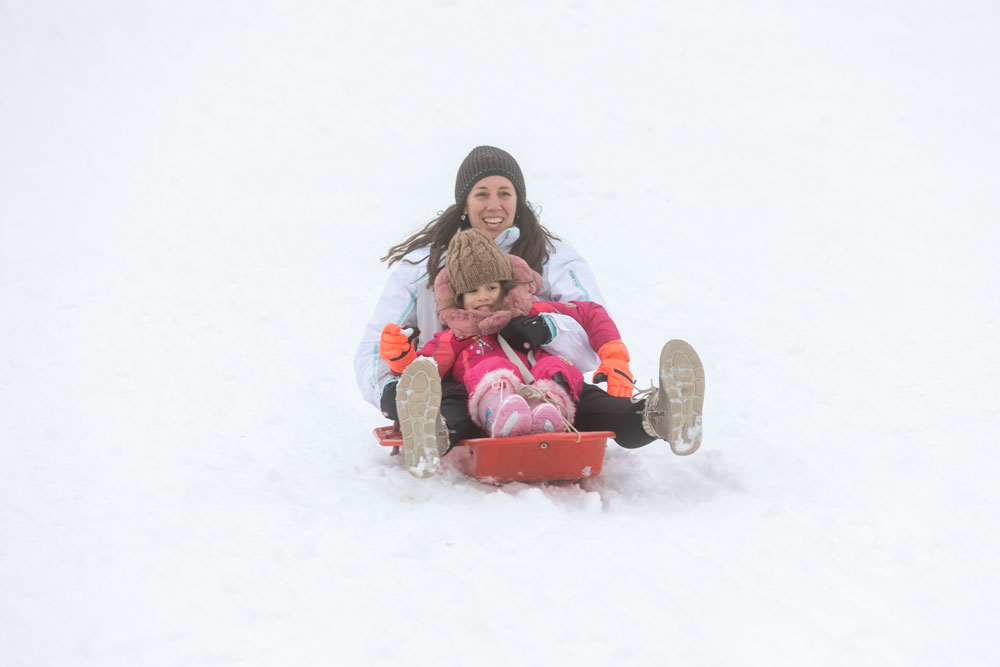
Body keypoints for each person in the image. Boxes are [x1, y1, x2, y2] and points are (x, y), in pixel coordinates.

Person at [354, 145, 705, 477]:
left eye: (505, 193)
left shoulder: (553, 258)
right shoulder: (423, 266)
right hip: (459, 387)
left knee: (594, 404)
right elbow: (379, 344)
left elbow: (590, 322)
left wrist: (546, 328)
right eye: (481, 193)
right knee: (452, 408)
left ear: (519, 200)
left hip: (546, 379)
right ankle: (430, 433)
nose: (494, 205)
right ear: (464, 203)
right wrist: (394, 389)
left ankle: (658, 415)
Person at [379, 229, 631, 440]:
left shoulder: (529, 313)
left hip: (549, 397)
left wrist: (614, 357)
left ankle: (639, 417)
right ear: (459, 298)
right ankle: (439, 434)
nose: (483, 296)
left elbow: (589, 313)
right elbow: (425, 371)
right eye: (472, 291)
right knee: (489, 370)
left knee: (555, 367)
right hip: (487, 410)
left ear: (504, 288)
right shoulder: (452, 338)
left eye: (491, 287)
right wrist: (401, 357)